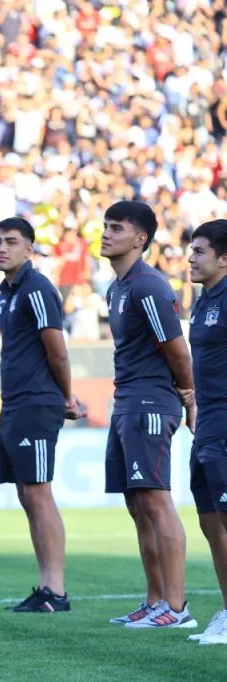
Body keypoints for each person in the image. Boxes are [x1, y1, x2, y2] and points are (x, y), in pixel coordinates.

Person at [100, 200, 197, 629]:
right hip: (126, 401)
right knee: (137, 502)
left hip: (151, 402)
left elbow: (176, 348)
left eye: (116, 228)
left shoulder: (149, 286)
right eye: (105, 226)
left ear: (139, 239)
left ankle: (177, 608)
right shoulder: (117, 288)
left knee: (156, 500)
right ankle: (155, 599)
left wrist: (190, 398)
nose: (106, 233)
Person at [0, 217, 86, 613]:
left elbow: (58, 351)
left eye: (11, 242)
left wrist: (66, 397)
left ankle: (56, 591)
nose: (1, 248)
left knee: (38, 492)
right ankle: (47, 586)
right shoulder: (4, 292)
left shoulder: (37, 288)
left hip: (36, 402)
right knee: (26, 494)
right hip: (14, 403)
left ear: (29, 249)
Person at [185, 219, 227, 644]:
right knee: (209, 518)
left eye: (199, 251)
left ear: (224, 258)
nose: (190, 258)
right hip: (208, 420)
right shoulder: (202, 300)